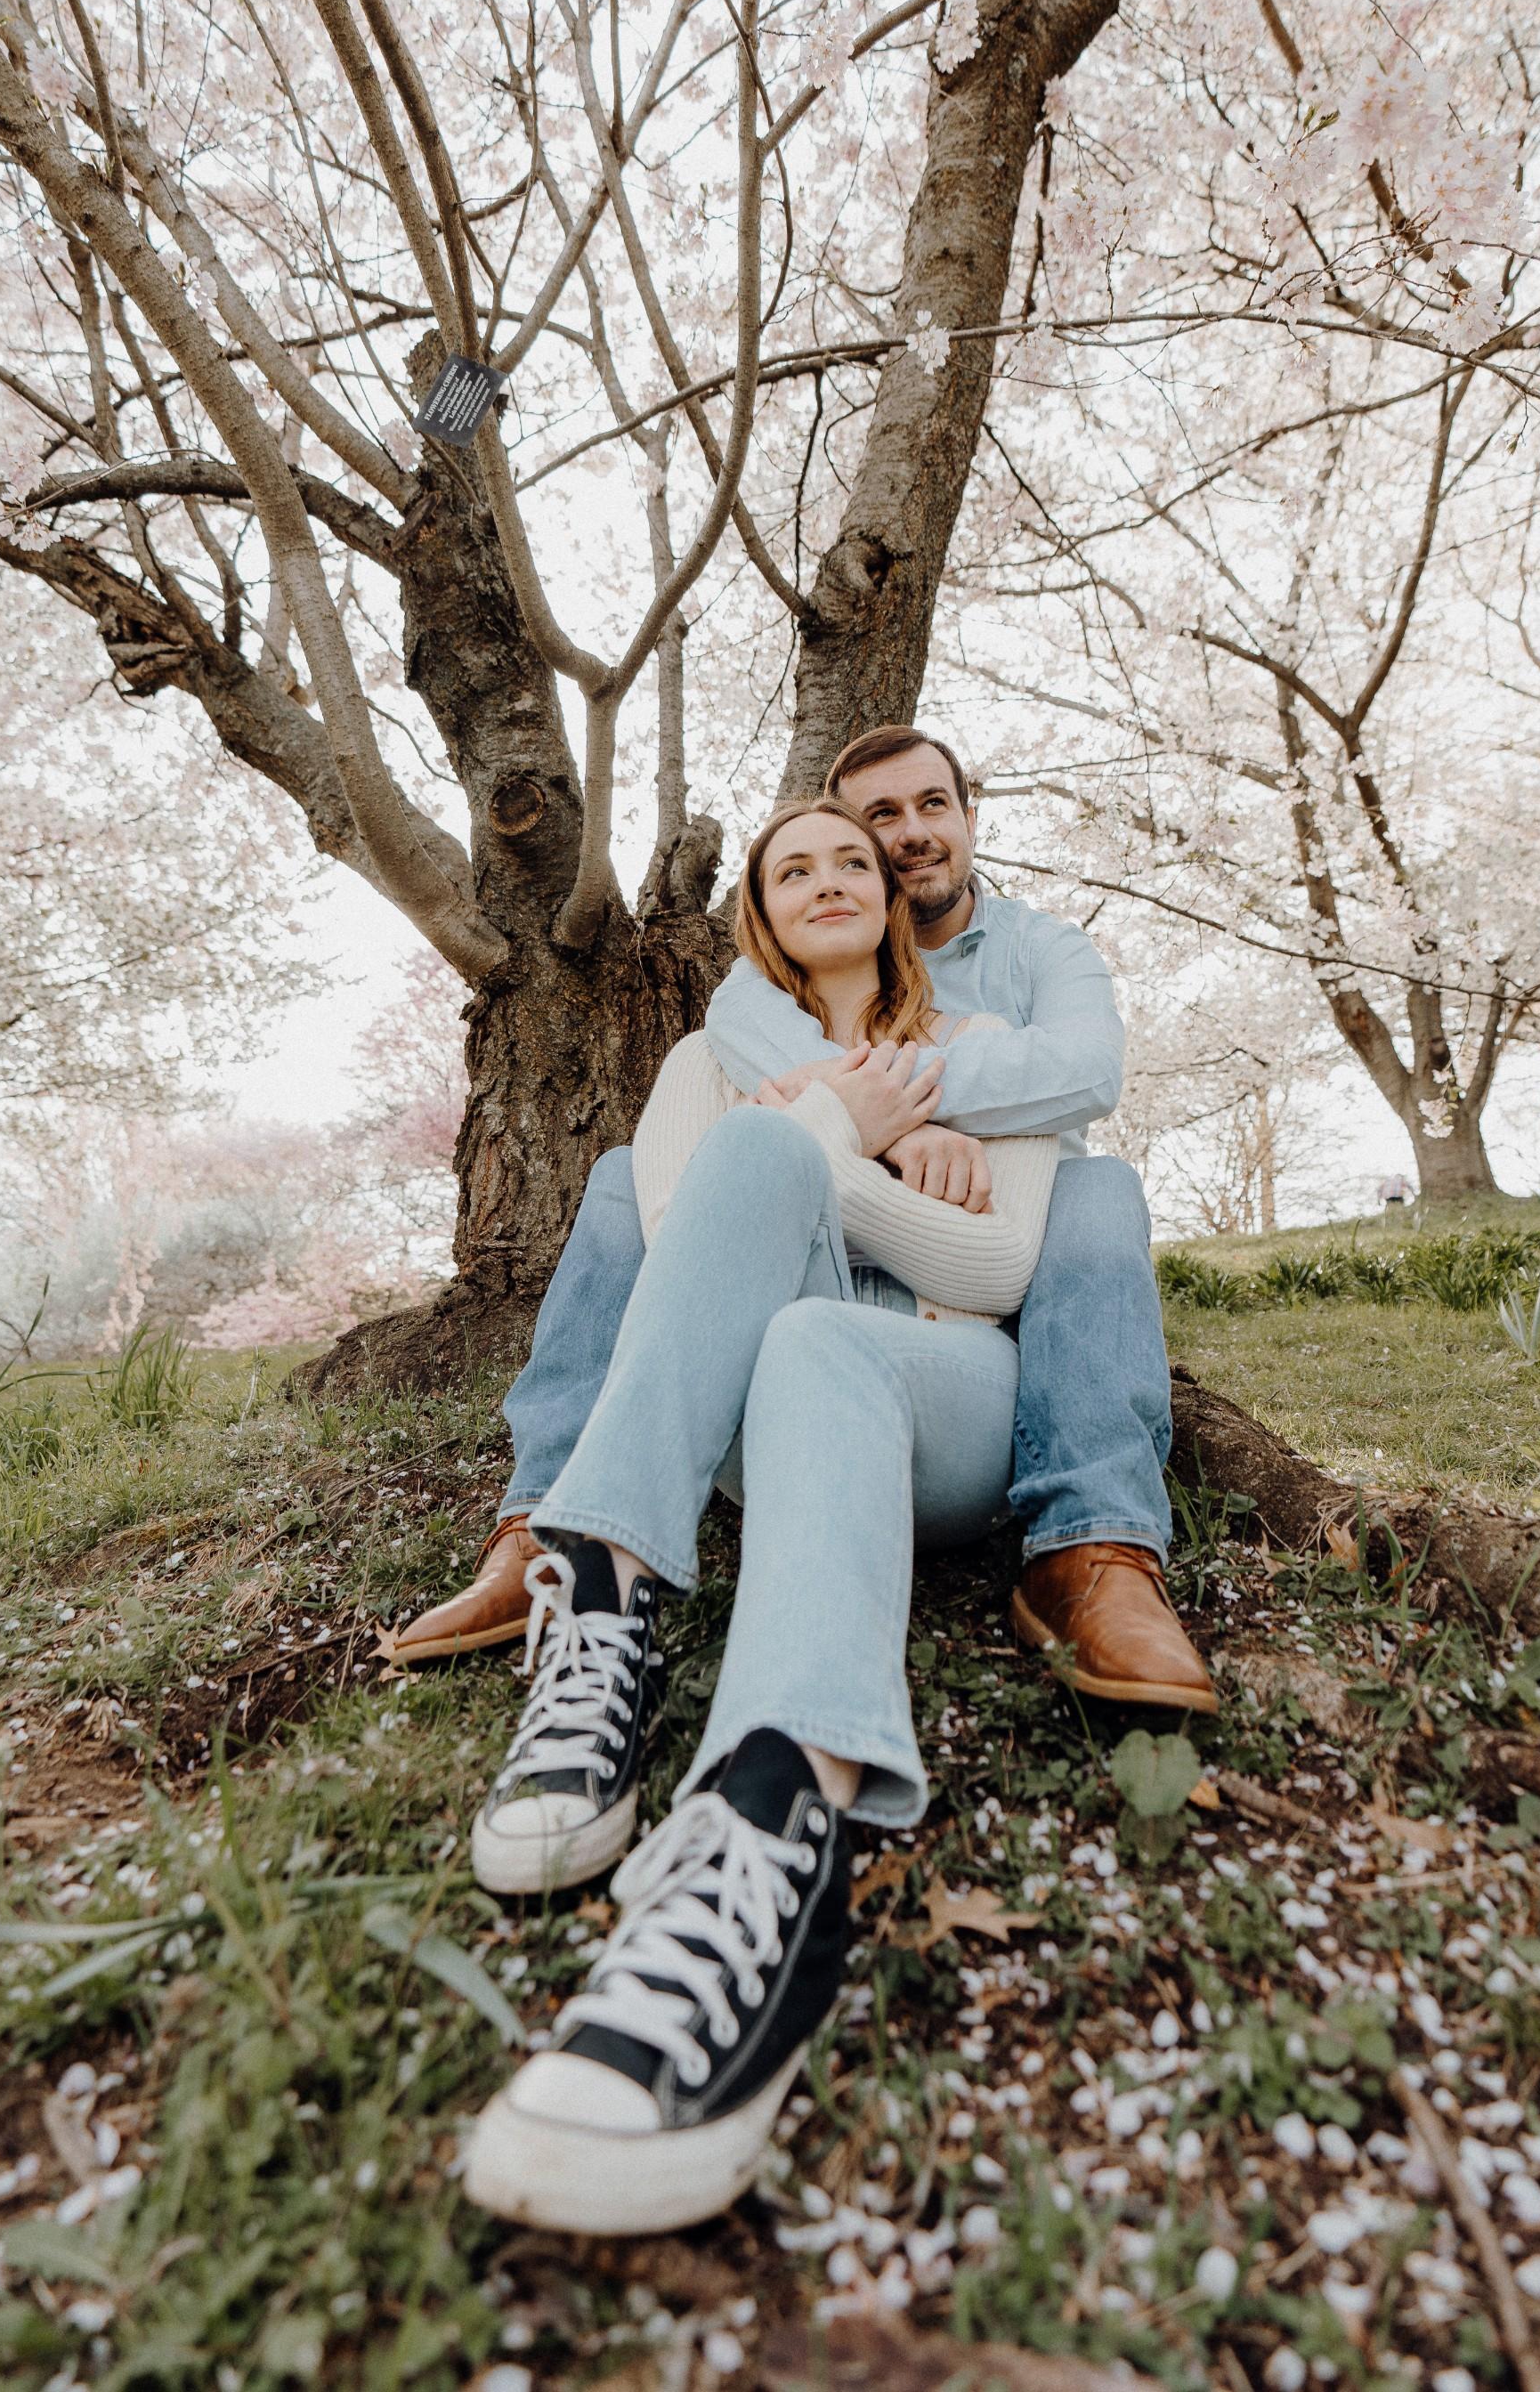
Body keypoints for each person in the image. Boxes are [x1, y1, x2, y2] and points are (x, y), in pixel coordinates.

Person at [460, 799, 1061, 2235]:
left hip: (941, 1400)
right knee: (773, 1274)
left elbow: (994, 1269)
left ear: (890, 893)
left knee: (820, 1324)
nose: (827, 880)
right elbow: (681, 1246)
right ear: (760, 915)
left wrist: (829, 1153)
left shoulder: (976, 1052)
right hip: (751, 1418)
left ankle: (773, 1818)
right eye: (792, 869)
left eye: (850, 859)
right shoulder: (699, 1063)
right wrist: (839, 1136)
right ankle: (610, 1629)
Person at [390, 725, 1214, 1713]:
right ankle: (547, 1523)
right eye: (874, 823)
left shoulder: (1038, 957)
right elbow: (709, 1161)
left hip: (993, 1297)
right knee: (626, 1179)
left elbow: (1082, 1076)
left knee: (1099, 1188)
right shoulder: (738, 1015)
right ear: (764, 913)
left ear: (963, 817)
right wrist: (857, 1133)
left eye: (928, 808)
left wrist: (889, 1105)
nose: (905, 838)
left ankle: (1093, 1540)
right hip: (803, 1317)